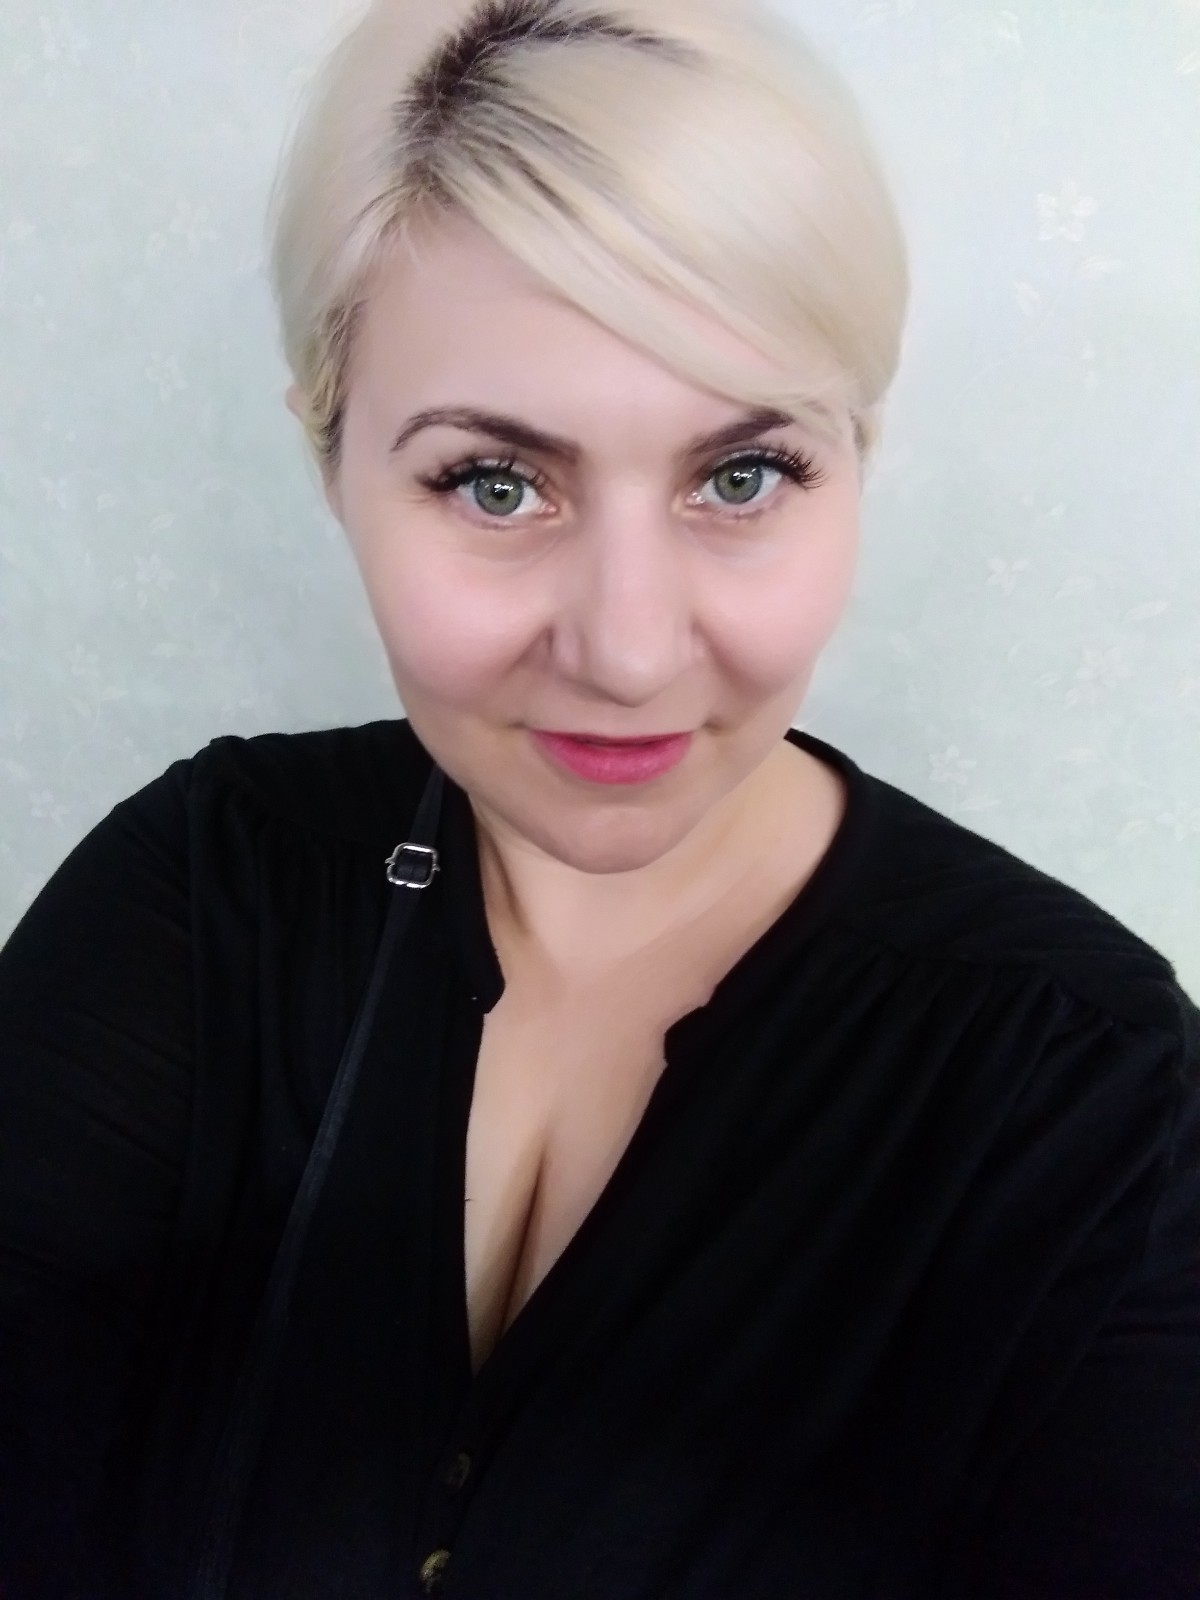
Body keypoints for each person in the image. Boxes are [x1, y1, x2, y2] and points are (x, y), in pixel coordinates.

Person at [1, 0, 1197, 1596]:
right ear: (331, 464)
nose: (629, 653)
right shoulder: (201, 890)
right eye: (495, 483)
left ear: (858, 461)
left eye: (742, 476)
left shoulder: (1089, 1091)